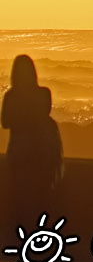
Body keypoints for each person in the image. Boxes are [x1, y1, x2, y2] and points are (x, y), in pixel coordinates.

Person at [1, 55, 62, 224]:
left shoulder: (11, 96)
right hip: (37, 149)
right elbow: (41, 117)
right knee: (38, 194)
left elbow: (6, 122)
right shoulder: (42, 94)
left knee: (22, 193)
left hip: (22, 148)